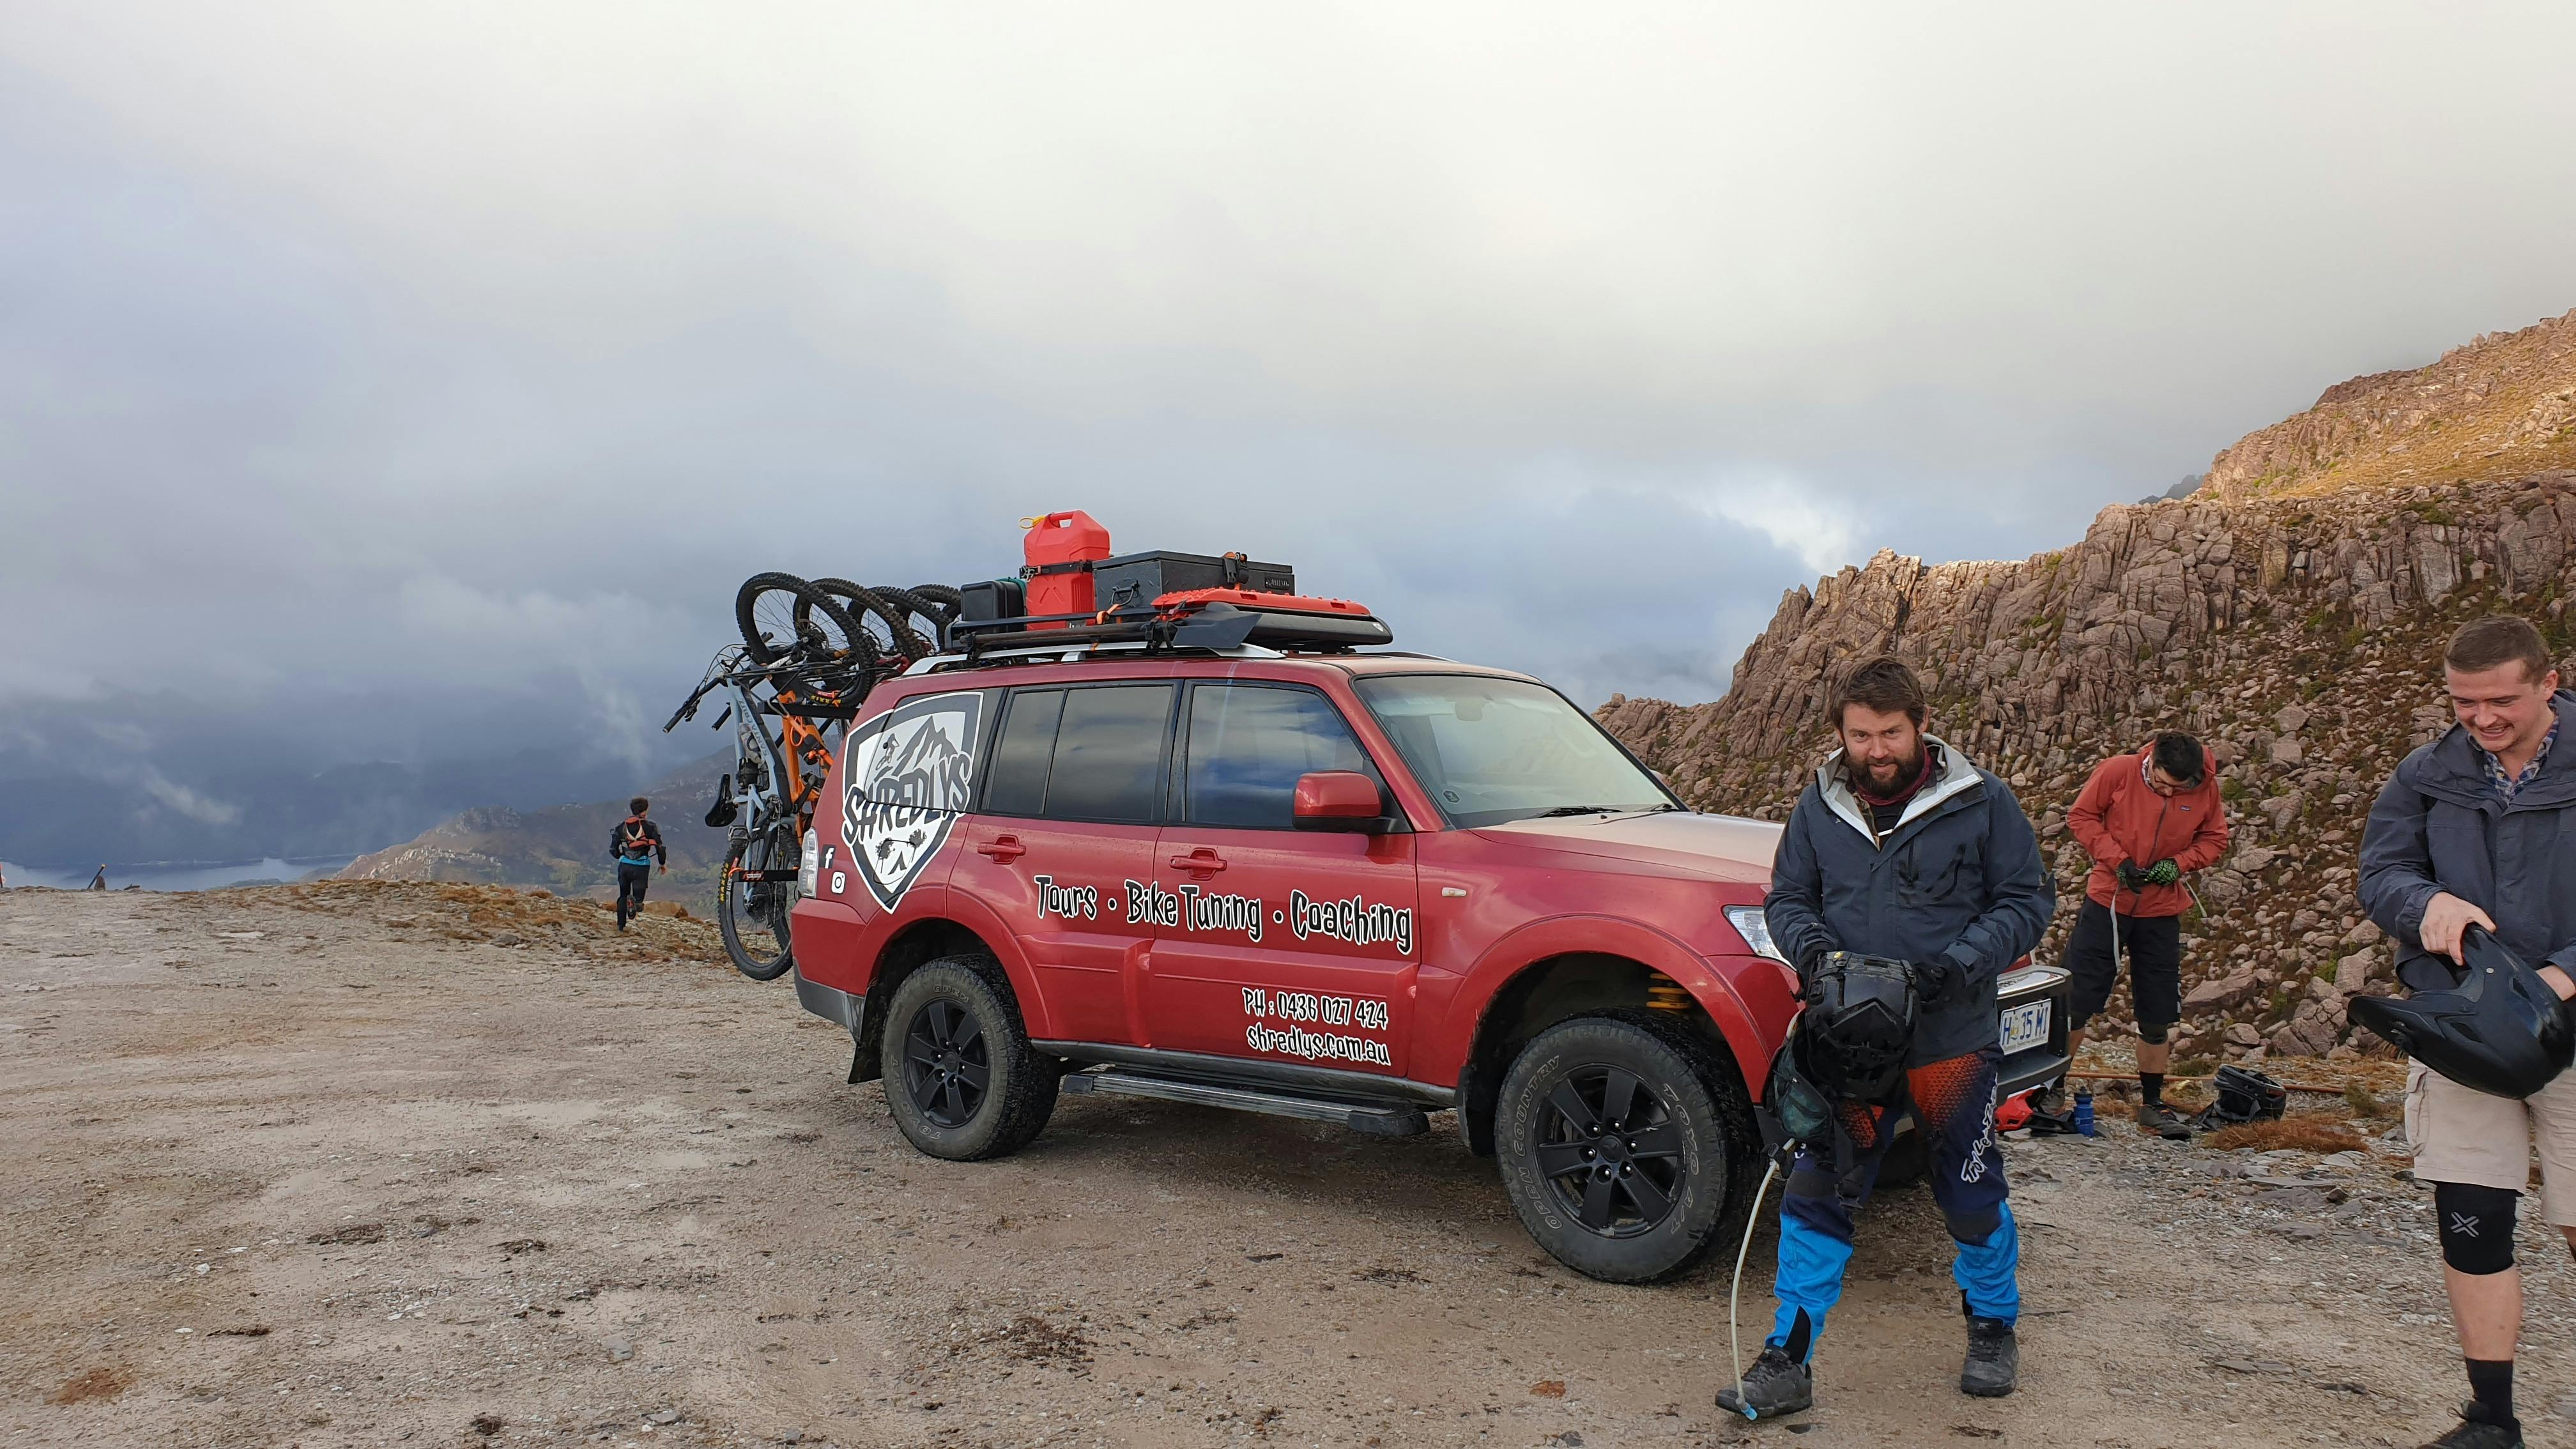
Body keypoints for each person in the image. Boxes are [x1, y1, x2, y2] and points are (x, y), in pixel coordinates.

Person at [1721, 655, 2055, 1418]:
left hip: (1949, 1035)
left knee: (1968, 1188)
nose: (1877, 750)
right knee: (1820, 1190)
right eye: (1862, 734)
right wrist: (1815, 956)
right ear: (1841, 732)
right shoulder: (1819, 804)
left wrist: (1956, 966)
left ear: (1922, 727)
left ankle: (1994, 1326)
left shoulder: (1982, 803)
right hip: (1848, 1042)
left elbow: (2025, 900)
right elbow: (1789, 897)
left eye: (1892, 733)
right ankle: (1789, 1358)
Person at [2360, 616, 2576, 1449]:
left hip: (2569, 1020)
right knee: (2473, 1212)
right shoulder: (2427, 773)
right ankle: (2493, 1422)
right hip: (2466, 1027)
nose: (2481, 719)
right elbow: (2381, 875)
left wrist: (2562, 975)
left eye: (2501, 701)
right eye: (2463, 702)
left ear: (2548, 684)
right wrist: (2427, 907)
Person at [2051, 731, 2228, 1137]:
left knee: (2157, 1012)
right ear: (2151, 762)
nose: (2167, 792)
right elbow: (2081, 816)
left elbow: (2215, 837)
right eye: (2160, 783)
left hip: (2161, 909)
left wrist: (2180, 864)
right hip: (2107, 901)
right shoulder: (2118, 771)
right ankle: (2052, 1090)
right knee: (2076, 1002)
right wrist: (2117, 860)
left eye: (2176, 788)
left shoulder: (2206, 789)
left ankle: (2152, 1105)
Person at [610, 798, 667, 931]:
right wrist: (662, 864)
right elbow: (660, 848)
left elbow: (613, 849)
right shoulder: (651, 827)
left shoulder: (620, 827)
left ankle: (621, 926)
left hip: (624, 866)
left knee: (623, 895)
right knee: (639, 902)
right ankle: (634, 902)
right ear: (645, 811)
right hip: (641, 867)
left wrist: (621, 857)